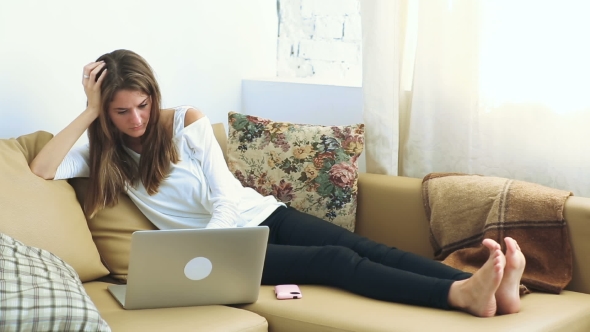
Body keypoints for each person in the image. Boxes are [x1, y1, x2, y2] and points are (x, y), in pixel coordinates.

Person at [29, 49, 526, 317]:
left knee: (370, 248)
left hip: (260, 215)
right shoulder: (101, 151)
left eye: (142, 105)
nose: (136, 118)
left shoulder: (184, 121)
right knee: (337, 263)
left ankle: (486, 286)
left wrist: (207, 243)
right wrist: (90, 111)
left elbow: (225, 195)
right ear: (106, 111)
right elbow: (42, 169)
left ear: (153, 96)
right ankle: (459, 295)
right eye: (121, 111)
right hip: (227, 251)